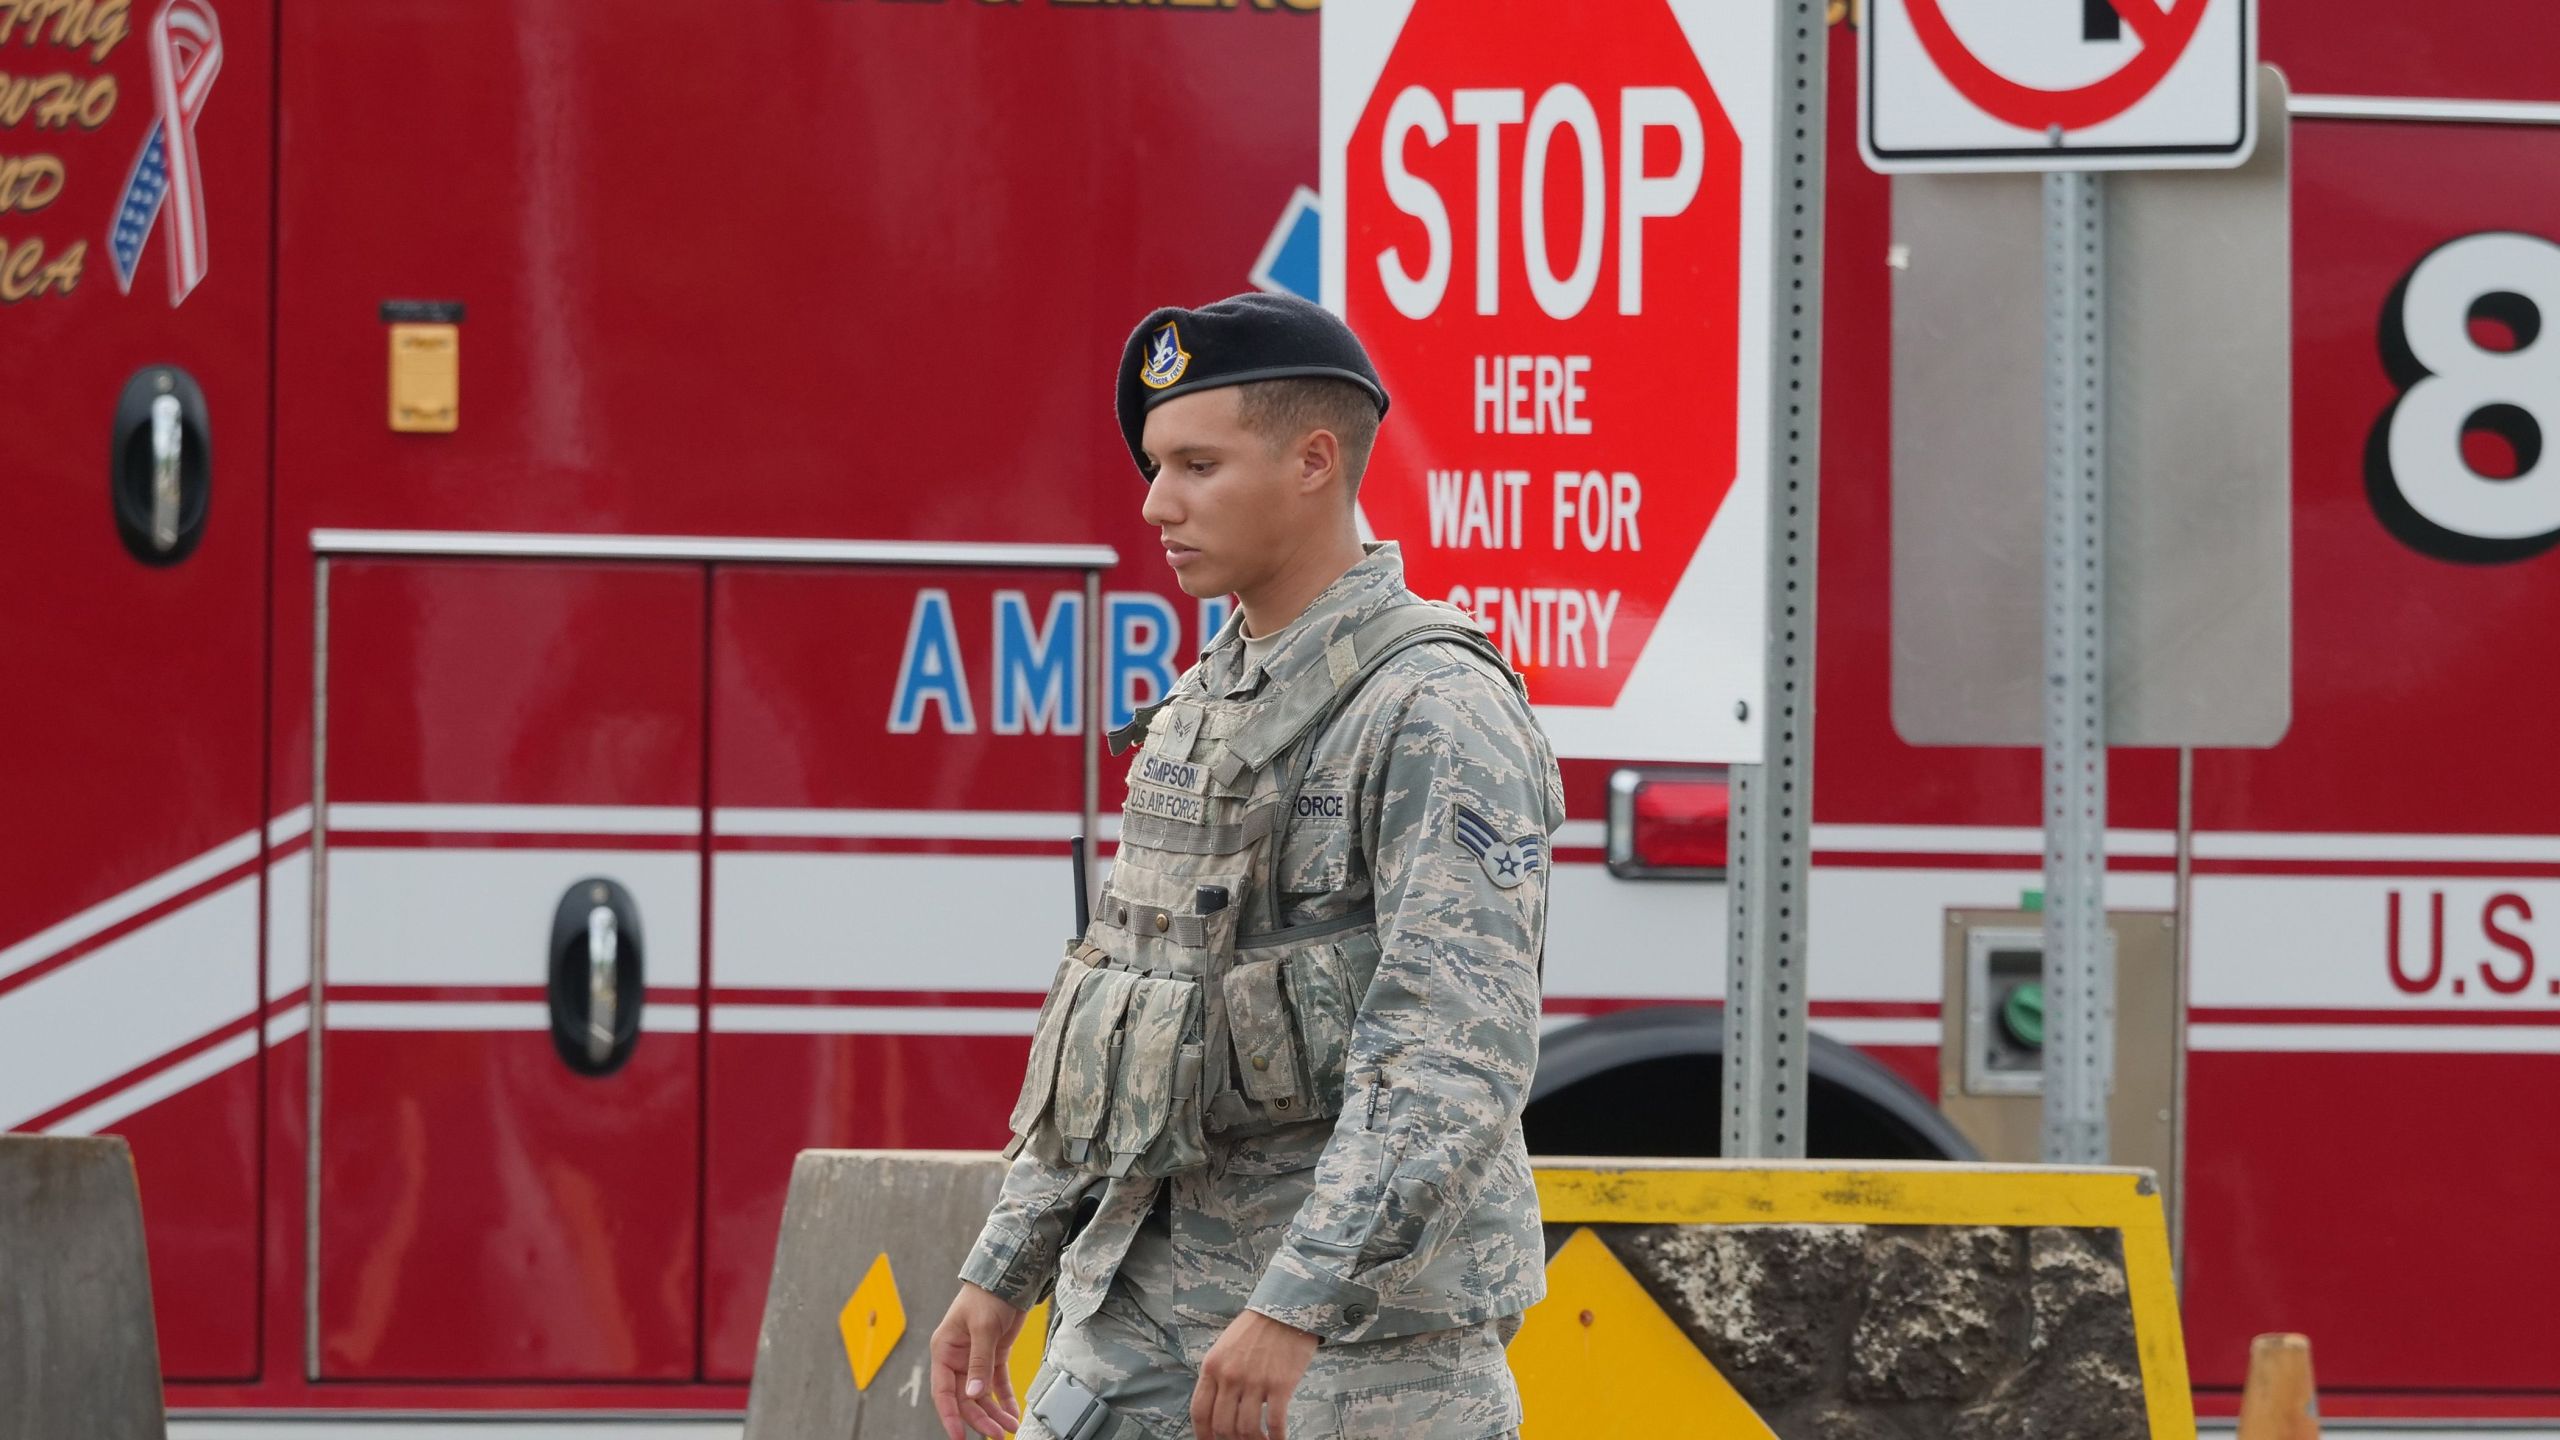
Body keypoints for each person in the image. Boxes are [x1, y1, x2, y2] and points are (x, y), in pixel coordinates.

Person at [928, 292, 1564, 1440]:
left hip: (1352, 1366)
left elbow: (1450, 1054)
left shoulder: (1434, 709)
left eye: (1196, 465)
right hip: (1134, 1329)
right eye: (1157, 464)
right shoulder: (1205, 698)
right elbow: (1117, 1009)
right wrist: (1006, 1260)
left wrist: (1297, 1302)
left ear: (1314, 461)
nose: (1153, 501)